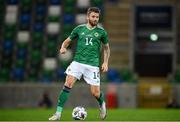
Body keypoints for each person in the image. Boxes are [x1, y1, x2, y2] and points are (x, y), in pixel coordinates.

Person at [49, 7, 110, 120]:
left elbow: (107, 48)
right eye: (93, 16)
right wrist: (63, 47)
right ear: (88, 17)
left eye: (97, 17)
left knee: (95, 93)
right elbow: (67, 41)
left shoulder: (101, 32)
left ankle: (102, 104)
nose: (95, 19)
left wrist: (105, 62)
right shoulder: (79, 29)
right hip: (78, 62)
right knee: (68, 83)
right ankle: (58, 114)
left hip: (92, 65)